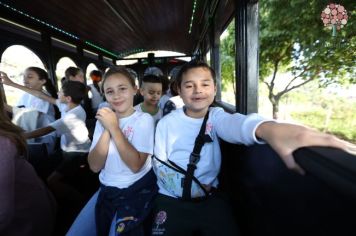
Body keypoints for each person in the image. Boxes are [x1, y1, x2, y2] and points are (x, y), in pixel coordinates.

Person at [150, 60, 356, 236]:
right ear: (179, 89)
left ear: (214, 89)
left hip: (209, 198)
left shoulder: (216, 117)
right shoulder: (167, 123)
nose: (198, 90)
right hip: (171, 199)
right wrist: (192, 188)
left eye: (205, 84)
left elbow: (238, 124)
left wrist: (269, 130)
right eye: (189, 85)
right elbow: (160, 165)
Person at [68, 66, 157, 236]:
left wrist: (114, 128)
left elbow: (135, 165)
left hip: (133, 190)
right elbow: (94, 166)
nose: (116, 95)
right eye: (110, 91)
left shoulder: (144, 120)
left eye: (122, 89)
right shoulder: (105, 120)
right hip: (106, 189)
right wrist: (108, 128)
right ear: (105, 96)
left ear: (134, 90)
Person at [0, 84, 56, 235]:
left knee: (54, 180)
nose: (26, 80)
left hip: (27, 224)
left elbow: (50, 127)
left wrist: (11, 83)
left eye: (30, 77)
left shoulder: (3, 144)